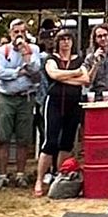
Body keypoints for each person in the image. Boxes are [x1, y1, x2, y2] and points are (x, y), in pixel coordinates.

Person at [35, 30, 89, 196]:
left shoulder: (79, 59)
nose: (66, 42)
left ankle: (60, 176)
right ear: (57, 42)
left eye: (68, 39)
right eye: (62, 39)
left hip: (74, 103)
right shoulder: (51, 59)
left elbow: (86, 79)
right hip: (54, 102)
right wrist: (74, 74)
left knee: (66, 142)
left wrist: (63, 77)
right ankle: (39, 179)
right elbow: (53, 74)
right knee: (50, 142)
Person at [0, 20, 42, 185]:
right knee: (4, 137)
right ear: (10, 34)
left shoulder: (33, 49)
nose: (19, 35)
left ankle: (20, 174)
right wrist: (18, 72)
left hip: (26, 97)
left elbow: (35, 70)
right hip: (6, 97)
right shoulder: (3, 51)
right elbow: (0, 72)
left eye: (22, 31)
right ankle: (2, 175)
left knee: (24, 138)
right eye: (16, 32)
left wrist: (25, 55)